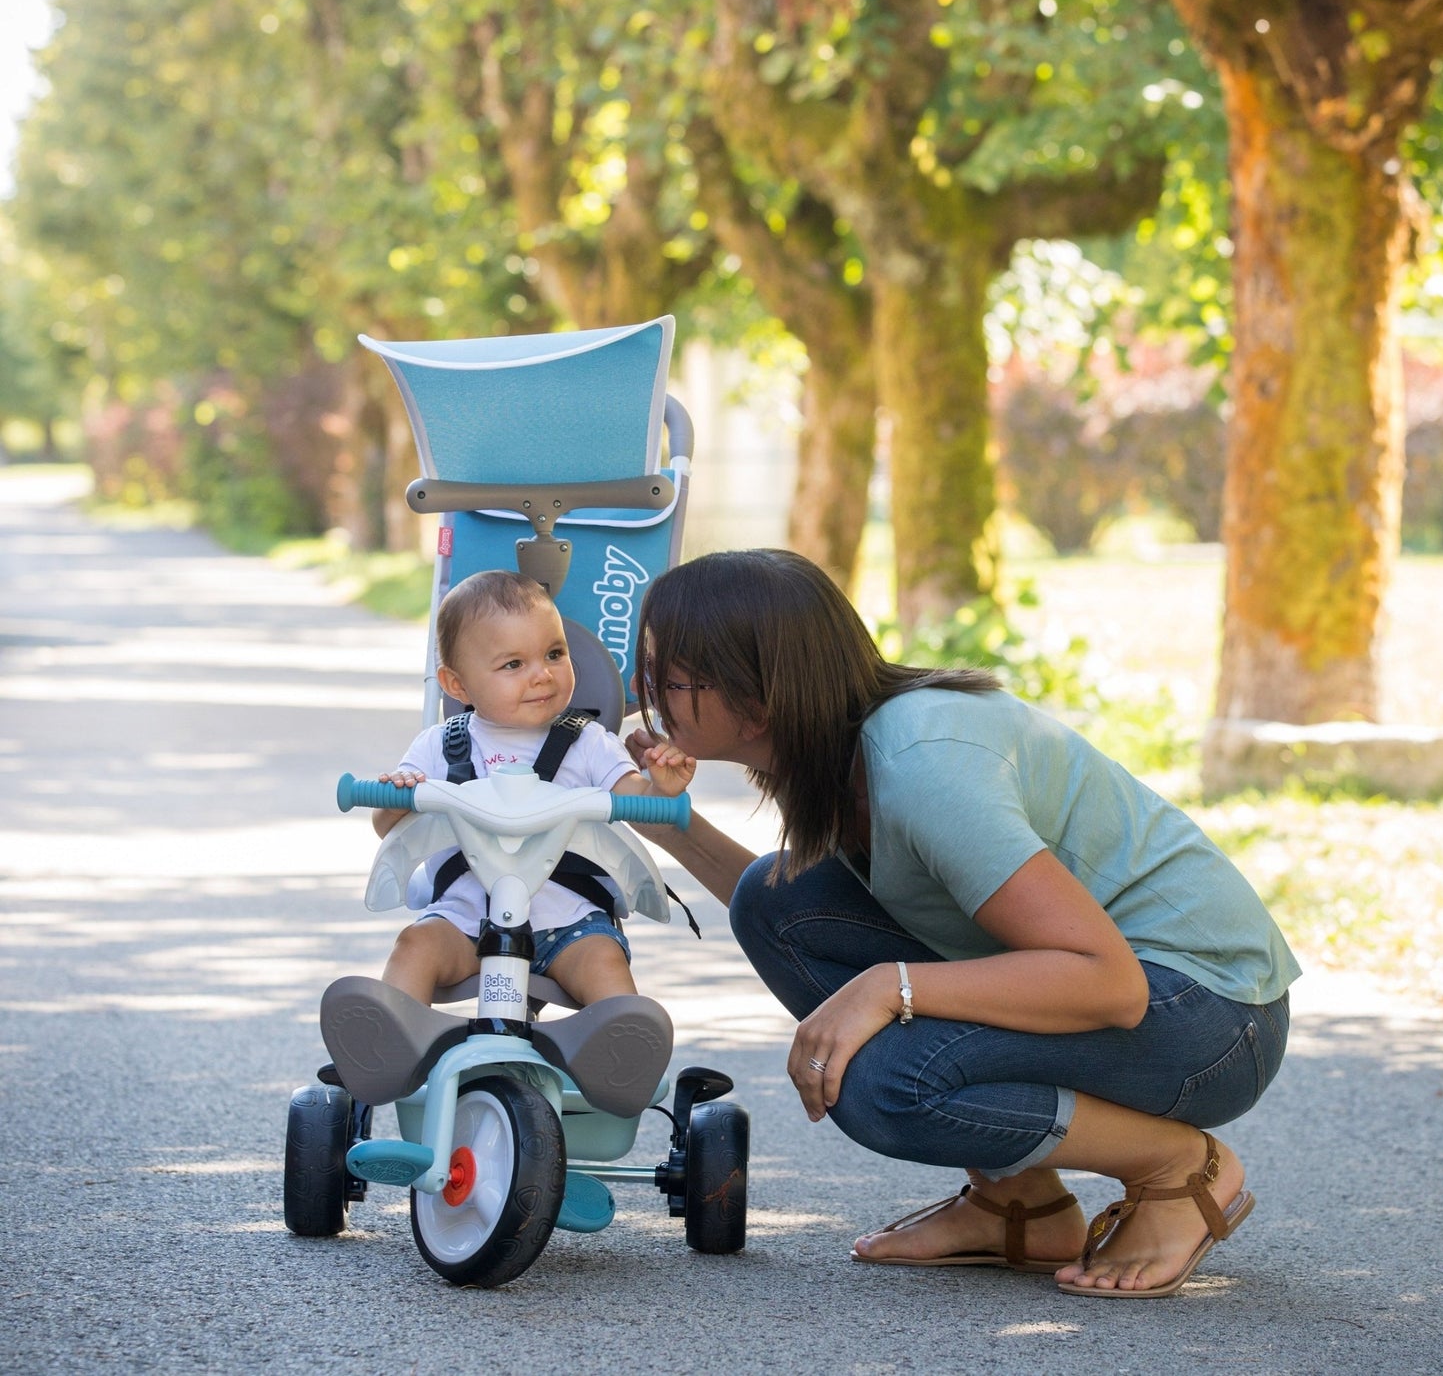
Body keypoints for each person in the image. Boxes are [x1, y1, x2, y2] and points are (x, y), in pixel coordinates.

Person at [625, 548, 1299, 1299]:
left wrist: (888, 986)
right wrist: (670, 822)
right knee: (770, 898)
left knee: (885, 1081)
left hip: (1207, 1017)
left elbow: (1112, 985)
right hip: (1147, 993)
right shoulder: (830, 753)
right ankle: (1019, 1201)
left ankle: (1175, 1168)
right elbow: (796, 917)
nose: (647, 692)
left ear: (758, 698)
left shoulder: (920, 765)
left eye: (672, 677)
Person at [374, 569, 694, 1010]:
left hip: (568, 923)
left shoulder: (588, 742)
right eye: (513, 664)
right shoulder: (439, 745)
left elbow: (639, 804)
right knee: (414, 946)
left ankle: (621, 1053)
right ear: (457, 684)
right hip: (466, 919)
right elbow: (384, 826)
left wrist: (662, 788)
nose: (543, 675)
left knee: (604, 961)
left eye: (554, 653)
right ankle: (386, 1041)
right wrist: (398, 798)